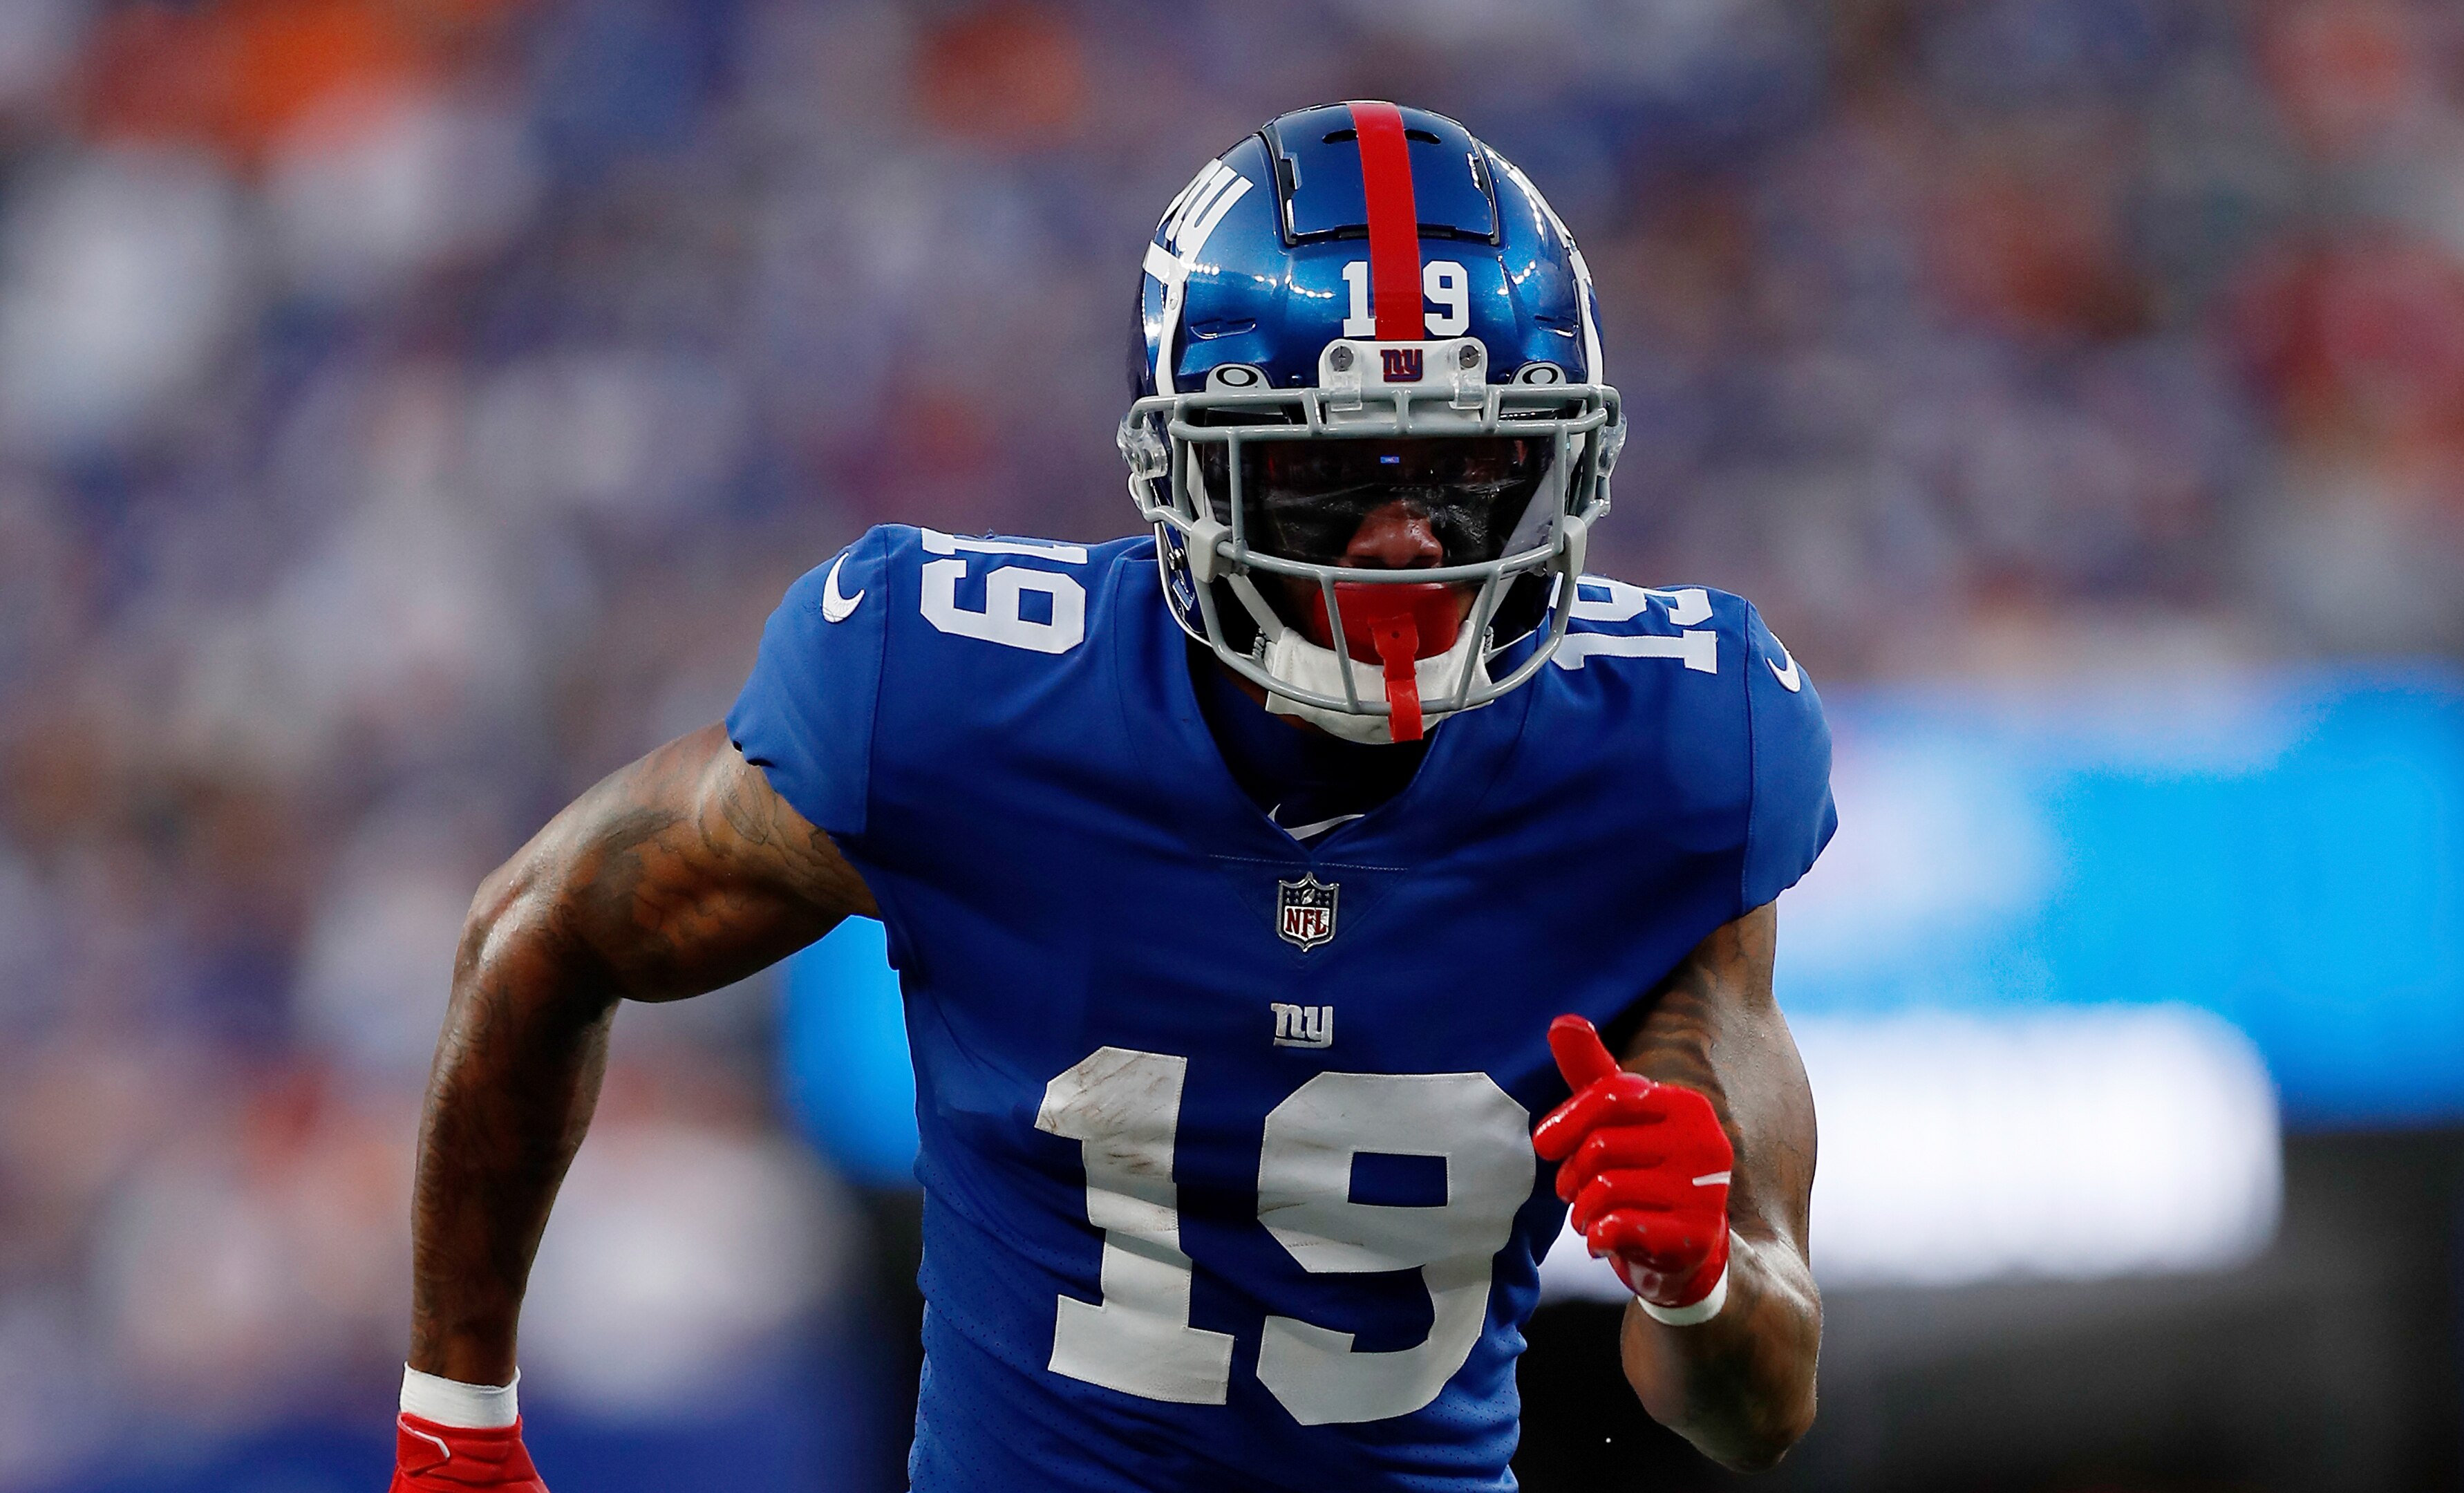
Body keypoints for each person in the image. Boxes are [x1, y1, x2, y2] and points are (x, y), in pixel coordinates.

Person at [391, 102, 1836, 1492]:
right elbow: (544, 927)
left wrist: (1702, 1279)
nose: (1404, 540)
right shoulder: (956, 704)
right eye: (1329, 471)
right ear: (1183, 470)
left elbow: (1757, 1415)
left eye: (1468, 466)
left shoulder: (1674, 762)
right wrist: (458, 1427)